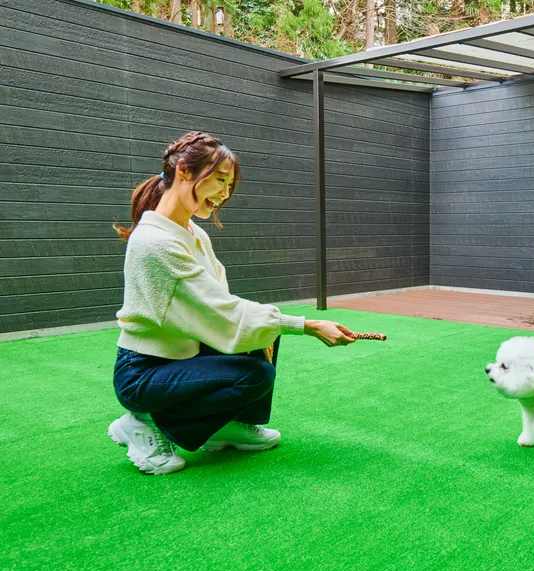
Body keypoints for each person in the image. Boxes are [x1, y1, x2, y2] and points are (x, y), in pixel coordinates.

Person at [109, 131, 355, 475]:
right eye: (220, 180)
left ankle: (223, 426)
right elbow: (222, 312)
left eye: (230, 184)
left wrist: (269, 331)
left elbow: (220, 304)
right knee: (255, 374)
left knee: (263, 338)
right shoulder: (154, 242)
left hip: (183, 356)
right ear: (184, 171)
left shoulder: (193, 233)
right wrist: (307, 325)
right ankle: (143, 422)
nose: (225, 193)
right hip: (143, 374)